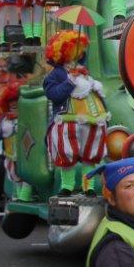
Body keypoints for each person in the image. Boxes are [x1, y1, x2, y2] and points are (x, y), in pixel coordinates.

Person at [44, 31, 109, 195]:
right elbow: (54, 94)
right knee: (66, 153)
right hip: (67, 119)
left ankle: (89, 187)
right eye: (74, 50)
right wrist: (70, 82)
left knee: (90, 154)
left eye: (80, 50)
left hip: (91, 120)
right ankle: (67, 186)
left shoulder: (83, 71)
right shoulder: (56, 75)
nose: (78, 54)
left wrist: (95, 86)